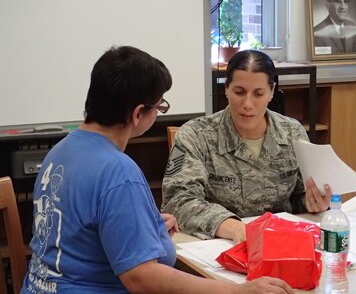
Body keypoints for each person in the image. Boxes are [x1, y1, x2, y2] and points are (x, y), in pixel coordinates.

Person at [21, 46, 294, 294]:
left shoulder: (60, 152)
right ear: (138, 113)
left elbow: (81, 233)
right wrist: (238, 291)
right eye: (159, 106)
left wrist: (140, 225)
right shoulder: (118, 172)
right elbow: (142, 278)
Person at [162, 49, 332, 244]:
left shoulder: (292, 132)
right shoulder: (196, 135)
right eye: (239, 92)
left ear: (272, 91)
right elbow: (177, 201)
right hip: (219, 246)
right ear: (226, 89)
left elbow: (298, 198)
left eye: (258, 94)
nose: (248, 104)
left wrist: (313, 203)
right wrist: (231, 226)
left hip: (280, 244)